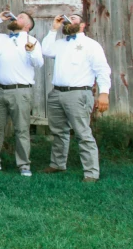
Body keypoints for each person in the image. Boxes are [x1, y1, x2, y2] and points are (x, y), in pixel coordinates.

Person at [41, 14, 110, 182]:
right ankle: (58, 164)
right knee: (58, 132)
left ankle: (91, 173)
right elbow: (45, 50)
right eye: (67, 18)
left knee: (83, 133)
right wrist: (54, 29)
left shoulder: (91, 45)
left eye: (73, 18)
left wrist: (104, 93)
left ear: (83, 24)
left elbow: (102, 69)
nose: (67, 20)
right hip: (56, 93)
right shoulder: (60, 43)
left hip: (78, 93)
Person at [0, 10, 44, 177]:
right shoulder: (1, 38)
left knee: (21, 129)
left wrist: (30, 51)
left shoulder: (33, 41)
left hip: (20, 91)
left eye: (22, 17)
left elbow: (39, 63)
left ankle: (24, 165)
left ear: (28, 25)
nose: (17, 17)